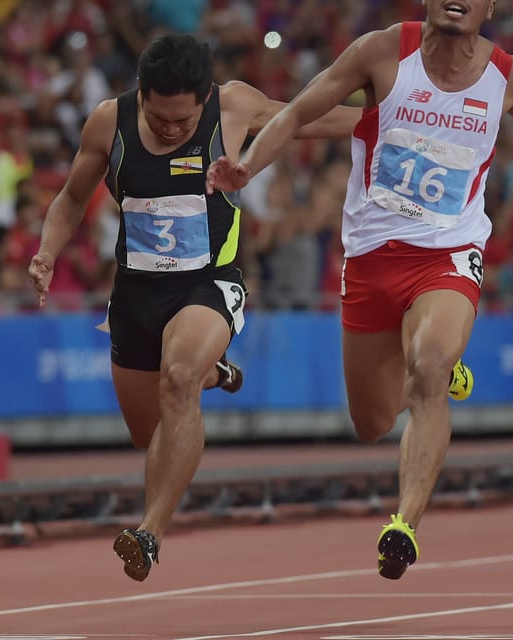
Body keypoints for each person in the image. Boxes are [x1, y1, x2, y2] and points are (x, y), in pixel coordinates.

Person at [207, 0, 513, 580]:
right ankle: (441, 380)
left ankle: (404, 523)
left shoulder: (509, 75)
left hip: (448, 253)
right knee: (369, 421)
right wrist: (247, 166)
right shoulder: (382, 52)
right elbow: (303, 109)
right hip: (370, 257)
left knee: (426, 368)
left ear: (491, 5)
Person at [28, 33, 358, 582]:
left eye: (183, 122)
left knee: (177, 378)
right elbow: (68, 199)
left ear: (205, 97)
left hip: (208, 284)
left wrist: (397, 111)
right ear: (142, 96)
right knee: (148, 431)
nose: (173, 130)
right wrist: (46, 251)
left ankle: (149, 532)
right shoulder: (108, 122)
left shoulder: (233, 105)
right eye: (160, 120)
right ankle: (215, 372)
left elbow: (306, 115)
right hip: (135, 295)